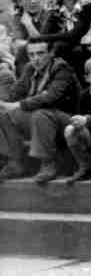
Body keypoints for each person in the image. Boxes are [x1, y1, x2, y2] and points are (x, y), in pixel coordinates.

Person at [0, 39, 80, 184]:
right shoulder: (30, 68)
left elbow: (50, 97)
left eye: (40, 53)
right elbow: (14, 92)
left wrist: (18, 105)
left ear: (51, 53)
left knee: (40, 112)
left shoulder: (62, 69)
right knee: (2, 113)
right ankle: (16, 162)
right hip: (40, 118)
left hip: (67, 120)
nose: (35, 59)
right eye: (31, 55)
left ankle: (49, 163)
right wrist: (5, 102)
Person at [37, 0, 91, 79]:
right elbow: (44, 35)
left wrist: (45, 38)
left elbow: (76, 34)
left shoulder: (88, 7)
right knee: (26, 50)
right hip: (64, 50)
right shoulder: (56, 11)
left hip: (86, 47)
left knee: (65, 47)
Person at [10, 0, 48, 76]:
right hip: (29, 57)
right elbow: (17, 44)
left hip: (49, 57)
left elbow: (43, 43)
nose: (33, 1)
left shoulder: (50, 15)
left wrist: (28, 24)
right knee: (22, 53)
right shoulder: (18, 18)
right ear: (20, 3)